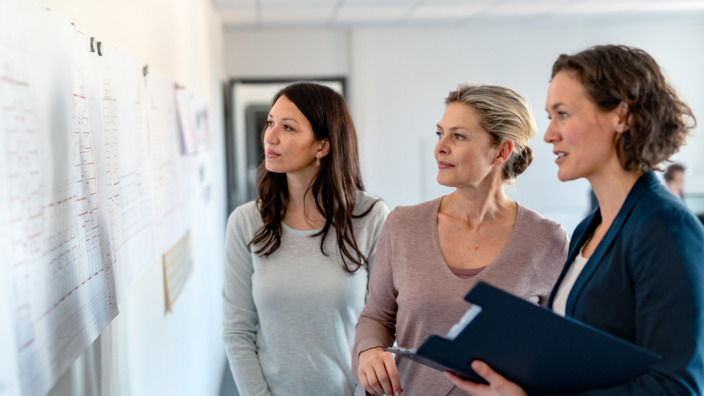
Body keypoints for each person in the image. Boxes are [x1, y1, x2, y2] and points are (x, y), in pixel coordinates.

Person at [447, 45, 704, 395]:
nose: (550, 134)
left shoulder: (665, 228)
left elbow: (678, 386)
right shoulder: (589, 229)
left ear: (621, 116)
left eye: (563, 114)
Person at [352, 83, 569, 396]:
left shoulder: (547, 239)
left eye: (459, 136)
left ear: (502, 151)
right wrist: (369, 351)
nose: (440, 147)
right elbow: (376, 316)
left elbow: (556, 350)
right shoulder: (403, 225)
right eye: (441, 133)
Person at [222, 82, 389, 396]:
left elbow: (384, 322)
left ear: (322, 146)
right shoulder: (245, 222)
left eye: (288, 127)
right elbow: (237, 331)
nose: (270, 136)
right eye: (270, 123)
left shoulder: (371, 217)